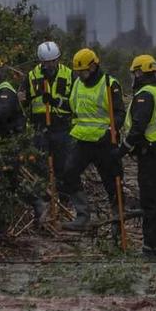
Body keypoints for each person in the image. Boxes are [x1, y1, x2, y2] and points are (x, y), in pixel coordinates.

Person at [59, 47, 126, 234]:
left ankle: (117, 220)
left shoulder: (109, 84)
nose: (80, 75)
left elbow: (120, 113)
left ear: (94, 66)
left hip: (104, 143)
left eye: (83, 71)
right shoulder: (78, 84)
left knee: (112, 182)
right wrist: (54, 101)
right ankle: (82, 216)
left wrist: (111, 130)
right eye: (77, 72)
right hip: (82, 141)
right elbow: (72, 106)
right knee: (69, 173)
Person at [124, 53, 156, 258]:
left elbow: (138, 126)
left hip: (152, 153)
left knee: (151, 200)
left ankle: (151, 247)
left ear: (139, 73)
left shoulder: (144, 95)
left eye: (134, 73)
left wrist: (123, 149)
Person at [25, 40, 74, 218]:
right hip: (40, 129)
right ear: (40, 61)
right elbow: (23, 100)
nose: (50, 65)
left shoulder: (69, 75)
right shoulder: (31, 76)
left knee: (64, 168)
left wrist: (56, 102)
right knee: (40, 168)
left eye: (54, 61)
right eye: (47, 62)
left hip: (61, 128)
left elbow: (76, 102)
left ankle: (64, 205)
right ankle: (43, 208)